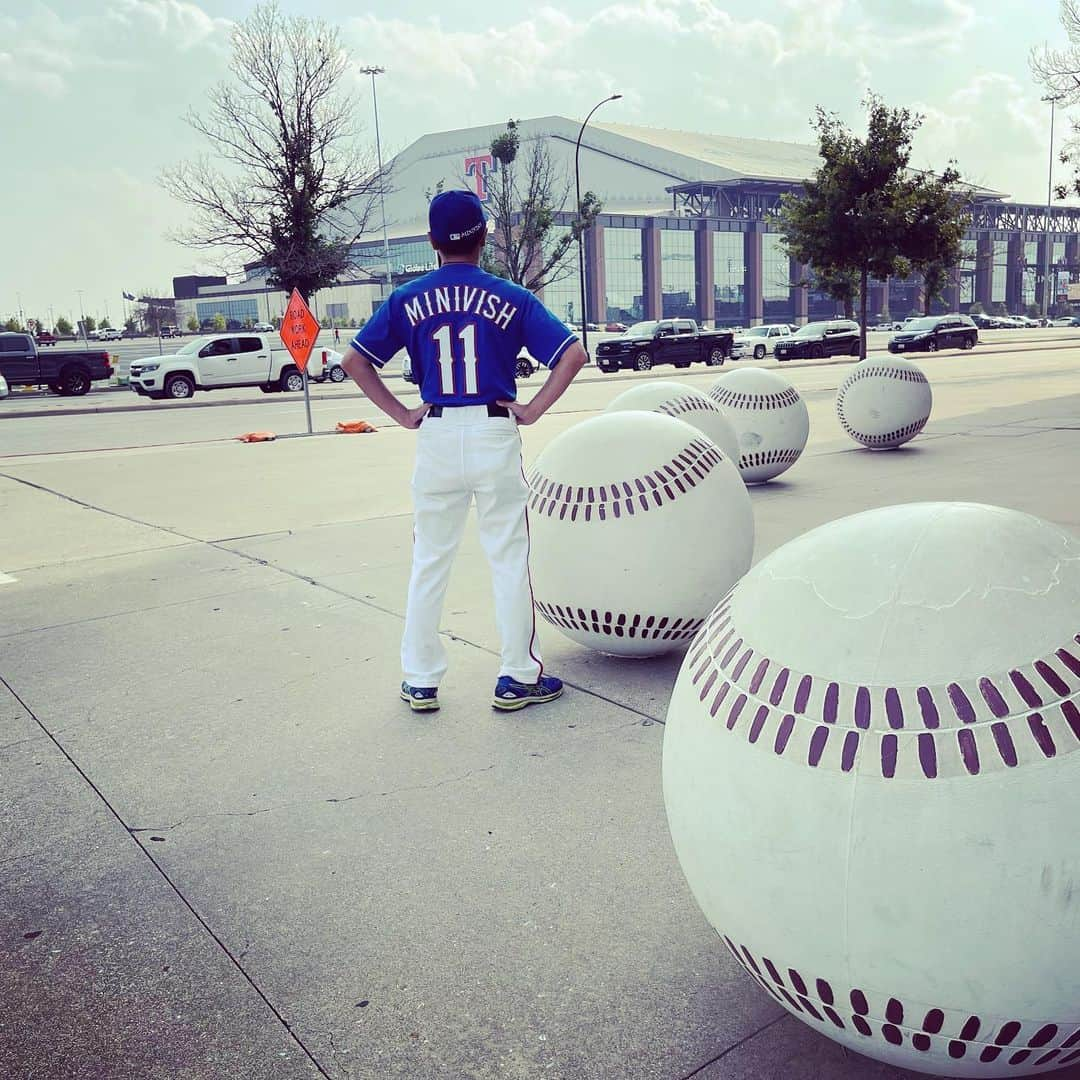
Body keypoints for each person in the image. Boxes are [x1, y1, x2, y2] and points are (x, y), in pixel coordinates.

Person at [340, 190, 588, 714]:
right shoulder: (511, 296)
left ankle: (420, 679)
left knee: (430, 559)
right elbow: (573, 353)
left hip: (437, 432)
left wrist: (402, 414)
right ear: (483, 237)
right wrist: (535, 407)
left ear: (432, 242)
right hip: (493, 431)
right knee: (507, 558)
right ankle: (518, 676)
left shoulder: (407, 297)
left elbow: (355, 361)